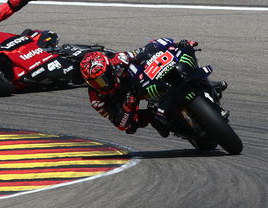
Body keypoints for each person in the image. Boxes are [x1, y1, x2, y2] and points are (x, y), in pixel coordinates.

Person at [79, 38, 228, 137]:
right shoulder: (97, 99)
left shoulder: (119, 60)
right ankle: (167, 122)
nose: (100, 85)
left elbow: (145, 50)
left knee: (177, 65)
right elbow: (121, 124)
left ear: (110, 69)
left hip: (142, 82)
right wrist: (130, 103)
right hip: (127, 103)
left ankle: (208, 85)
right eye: (94, 83)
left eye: (101, 80)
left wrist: (175, 45)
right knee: (132, 126)